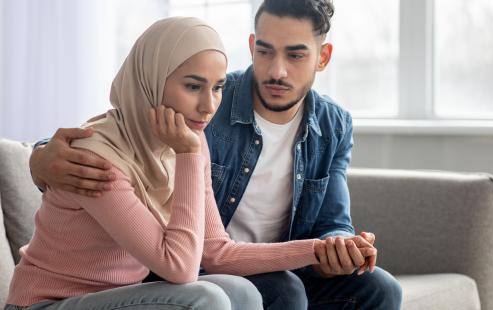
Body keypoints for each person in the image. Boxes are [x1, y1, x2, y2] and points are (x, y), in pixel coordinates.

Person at [29, 1, 402, 309]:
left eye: (295, 55)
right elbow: (115, 130)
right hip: (189, 264)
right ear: (252, 44)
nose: (277, 70)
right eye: (265, 51)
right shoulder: (199, 111)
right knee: (280, 289)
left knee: (379, 289)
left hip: (245, 259)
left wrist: (333, 248)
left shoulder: (332, 124)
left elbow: (332, 220)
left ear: (323, 57)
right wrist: (39, 157)